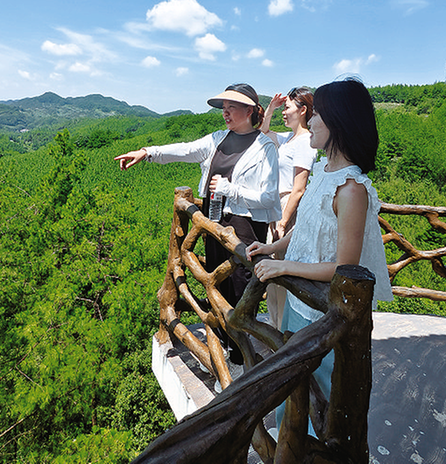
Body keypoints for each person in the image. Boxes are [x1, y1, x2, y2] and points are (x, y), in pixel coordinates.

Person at [246, 77, 392, 429]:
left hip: (325, 315)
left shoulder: (352, 188)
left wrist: (284, 266)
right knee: (291, 391)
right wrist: (274, 247)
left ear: (338, 121)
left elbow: (346, 266)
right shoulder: (325, 171)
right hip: (302, 306)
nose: (310, 121)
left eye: (318, 114)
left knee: (316, 400)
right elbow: (308, 225)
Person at [115, 83, 281, 364]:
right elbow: (185, 149)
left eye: (232, 108)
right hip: (214, 225)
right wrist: (147, 152)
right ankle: (226, 352)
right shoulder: (218, 139)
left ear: (250, 110)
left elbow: (269, 198)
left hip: (245, 229)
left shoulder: (265, 148)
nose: (225, 113)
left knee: (239, 292)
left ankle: (241, 360)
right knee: (217, 288)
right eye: (224, 108)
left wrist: (232, 190)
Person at [259, 87, 318, 328]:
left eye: (287, 107)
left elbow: (299, 188)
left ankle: (284, 331)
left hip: (287, 208)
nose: (284, 112)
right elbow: (262, 134)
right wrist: (271, 108)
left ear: (302, 110)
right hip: (277, 206)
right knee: (272, 268)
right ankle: (276, 325)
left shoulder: (305, 142)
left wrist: (283, 222)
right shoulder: (288, 139)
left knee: (281, 269)